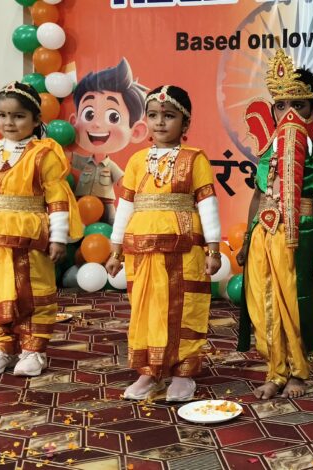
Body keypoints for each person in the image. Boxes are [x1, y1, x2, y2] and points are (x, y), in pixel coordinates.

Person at [235, 49, 313, 399]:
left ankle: (298, 372)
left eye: (300, 105)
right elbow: (256, 196)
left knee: (296, 304)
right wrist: (247, 239)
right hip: (263, 234)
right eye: (281, 106)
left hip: (302, 233)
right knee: (263, 305)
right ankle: (275, 370)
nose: (290, 114)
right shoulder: (266, 149)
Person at [105, 85, 222, 402]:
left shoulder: (195, 159)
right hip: (141, 250)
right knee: (146, 309)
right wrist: (115, 250)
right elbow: (125, 206)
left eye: (168, 116)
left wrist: (213, 248)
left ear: (185, 123)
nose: (159, 122)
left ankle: (183, 373)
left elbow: (208, 205)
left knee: (184, 308)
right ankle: (149, 371)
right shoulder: (136, 160)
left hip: (184, 250)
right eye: (153, 115)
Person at [0, 81, 82, 376]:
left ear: (35, 120)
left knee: (31, 291)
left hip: (29, 236)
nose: (9, 122)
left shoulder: (44, 154)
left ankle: (33, 351)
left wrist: (58, 238)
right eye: (3, 115)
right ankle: (2, 347)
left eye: (18, 116)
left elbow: (57, 199)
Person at [69, 58, 148, 224]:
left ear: (136, 131)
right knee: (77, 227)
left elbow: (124, 181)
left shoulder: (111, 166)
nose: (97, 124)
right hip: (81, 202)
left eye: (113, 117)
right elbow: (67, 158)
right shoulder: (83, 162)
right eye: (89, 114)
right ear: (73, 123)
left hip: (106, 203)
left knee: (112, 223)